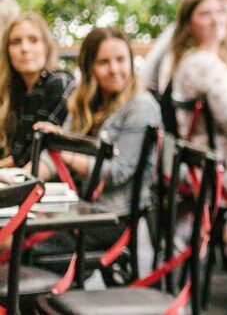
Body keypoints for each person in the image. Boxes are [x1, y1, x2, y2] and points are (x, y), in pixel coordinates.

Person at [32, 27, 161, 253]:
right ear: (89, 67)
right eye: (104, 62)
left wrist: (67, 154)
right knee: (13, 230)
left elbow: (119, 172)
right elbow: (53, 158)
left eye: (121, 60)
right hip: (78, 207)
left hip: (112, 217)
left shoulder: (141, 106)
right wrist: (22, 182)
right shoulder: (84, 100)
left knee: (17, 243)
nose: (114, 69)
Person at [159, 0, 227, 207]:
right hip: (222, 166)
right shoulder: (203, 64)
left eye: (220, 12)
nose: (216, 19)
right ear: (189, 25)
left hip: (210, 161)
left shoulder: (212, 59)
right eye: (205, 14)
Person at [0, 12, 74, 169]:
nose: (25, 48)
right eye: (15, 42)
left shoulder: (59, 82)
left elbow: (29, 154)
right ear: (7, 51)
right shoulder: (13, 90)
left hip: (50, 184)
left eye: (33, 40)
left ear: (46, 47)